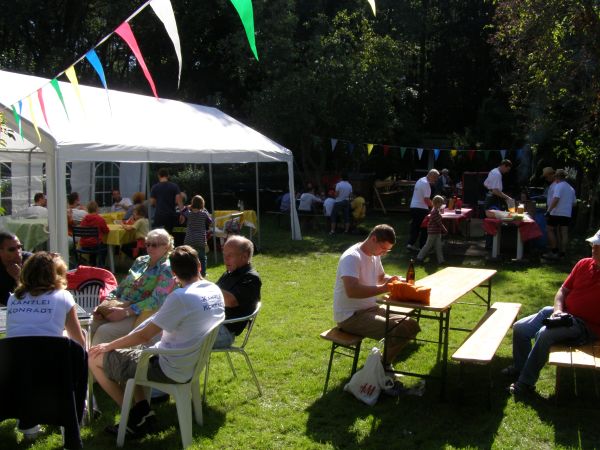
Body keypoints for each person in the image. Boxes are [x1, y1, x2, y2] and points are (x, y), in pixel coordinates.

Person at [88, 245, 225, 438]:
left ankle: (133, 416)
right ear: (199, 266)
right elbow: (156, 320)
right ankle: (144, 411)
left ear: (174, 273)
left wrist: (109, 345)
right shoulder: (213, 289)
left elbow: (145, 336)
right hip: (190, 363)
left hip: (169, 367)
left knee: (94, 358)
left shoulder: (180, 297)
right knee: (131, 353)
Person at [505, 229, 600, 396]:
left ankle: (525, 383)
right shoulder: (584, 264)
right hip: (565, 315)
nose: (594, 249)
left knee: (544, 333)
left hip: (586, 326)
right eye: (593, 245)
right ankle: (520, 368)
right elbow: (563, 291)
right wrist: (557, 311)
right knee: (520, 327)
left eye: (598, 246)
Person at [6, 251, 86, 439]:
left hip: (15, 368)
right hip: (52, 367)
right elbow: (78, 342)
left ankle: (29, 428)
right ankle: (77, 417)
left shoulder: (13, 298)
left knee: (31, 355)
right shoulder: (64, 296)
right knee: (80, 348)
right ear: (56, 273)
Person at [334, 224, 420, 366]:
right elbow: (352, 291)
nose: (384, 253)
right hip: (350, 316)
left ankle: (380, 365)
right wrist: (384, 288)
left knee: (411, 325)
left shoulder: (374, 255)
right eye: (383, 248)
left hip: (370, 309)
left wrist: (394, 279)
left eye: (387, 250)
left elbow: (380, 276)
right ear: (373, 239)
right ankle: (381, 368)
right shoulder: (352, 257)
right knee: (398, 331)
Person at [90, 228, 177, 346]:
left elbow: (156, 300)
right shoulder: (141, 261)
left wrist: (126, 312)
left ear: (166, 247)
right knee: (92, 324)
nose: (150, 248)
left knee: (104, 331)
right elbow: (121, 287)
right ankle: (85, 360)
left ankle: (95, 363)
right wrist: (104, 304)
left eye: (154, 245)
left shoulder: (167, 268)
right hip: (119, 306)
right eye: (148, 244)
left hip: (140, 314)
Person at [213, 235, 261, 349]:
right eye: (224, 255)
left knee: (182, 340)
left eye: (230, 255)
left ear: (244, 256)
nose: (225, 259)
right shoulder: (229, 273)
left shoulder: (251, 278)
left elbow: (231, 301)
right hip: (213, 324)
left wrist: (201, 283)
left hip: (225, 331)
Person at [543, 169, 576, 261]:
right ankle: (562, 253)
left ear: (557, 177)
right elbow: (574, 203)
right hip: (566, 213)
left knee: (549, 229)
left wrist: (549, 210)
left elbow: (556, 199)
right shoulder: (571, 188)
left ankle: (554, 251)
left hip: (556, 212)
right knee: (564, 233)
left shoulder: (558, 186)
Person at [407, 169, 439, 251]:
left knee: (415, 226)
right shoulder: (426, 184)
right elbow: (426, 200)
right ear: (432, 176)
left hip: (413, 207)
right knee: (425, 228)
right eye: (435, 178)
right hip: (421, 208)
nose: (435, 180)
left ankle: (410, 244)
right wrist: (434, 207)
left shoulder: (420, 180)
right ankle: (423, 247)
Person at [182, 195, 212, 277]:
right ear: (202, 204)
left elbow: (182, 212)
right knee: (202, 257)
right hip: (200, 239)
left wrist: (187, 208)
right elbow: (210, 221)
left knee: (189, 258)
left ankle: (189, 273)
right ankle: (202, 273)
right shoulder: (204, 214)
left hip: (189, 239)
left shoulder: (188, 214)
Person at [0, 231, 32, 306]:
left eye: (19, 247)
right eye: (12, 249)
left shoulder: (31, 261)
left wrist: (18, 277)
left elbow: (35, 296)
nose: (18, 252)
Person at [416, 195, 447, 264]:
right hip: (433, 232)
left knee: (438, 246)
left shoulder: (436, 210)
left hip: (437, 231)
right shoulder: (434, 212)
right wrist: (444, 229)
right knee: (428, 245)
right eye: (441, 203)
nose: (441, 205)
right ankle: (419, 257)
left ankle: (441, 260)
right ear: (436, 203)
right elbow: (439, 223)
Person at [150, 168, 183, 233]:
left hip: (159, 216)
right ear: (168, 176)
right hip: (170, 216)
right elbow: (179, 201)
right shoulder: (174, 186)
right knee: (169, 236)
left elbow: (152, 202)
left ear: (158, 176)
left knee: (159, 237)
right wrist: (182, 214)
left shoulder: (154, 187)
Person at [78, 200, 109, 267]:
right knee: (104, 246)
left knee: (92, 242)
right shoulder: (100, 219)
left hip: (84, 246)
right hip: (96, 245)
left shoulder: (84, 220)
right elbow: (106, 231)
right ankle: (101, 265)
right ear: (97, 209)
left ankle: (92, 264)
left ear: (88, 209)